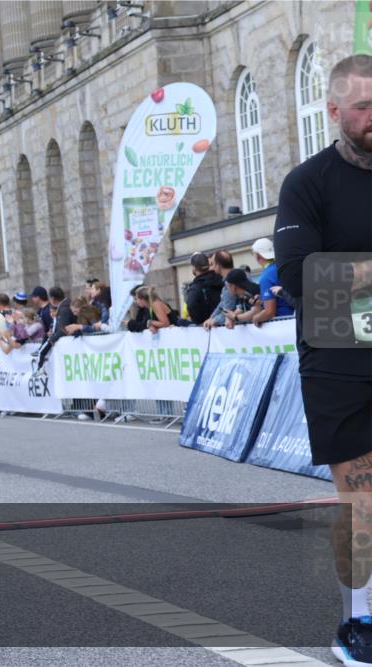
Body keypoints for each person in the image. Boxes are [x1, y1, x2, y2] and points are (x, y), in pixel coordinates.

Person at [274, 54, 372, 666]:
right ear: (334, 111)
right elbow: (298, 277)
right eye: (363, 106)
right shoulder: (307, 183)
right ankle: (359, 617)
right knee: (362, 498)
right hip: (341, 363)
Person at [251, 237, 295, 327]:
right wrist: (263, 300)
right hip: (296, 318)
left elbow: (269, 312)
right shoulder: (283, 267)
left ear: (258, 256)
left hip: (284, 324)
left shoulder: (266, 277)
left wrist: (255, 318)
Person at [184, 252, 224, 325]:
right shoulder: (221, 279)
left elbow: (191, 305)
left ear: (194, 267)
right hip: (224, 322)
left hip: (205, 326)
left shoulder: (196, 286)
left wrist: (198, 321)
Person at [203, 250, 237, 330]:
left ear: (218, 266)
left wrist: (213, 320)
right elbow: (222, 304)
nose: (211, 268)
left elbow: (228, 309)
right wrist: (211, 318)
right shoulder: (227, 281)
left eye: (212, 264)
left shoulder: (230, 282)